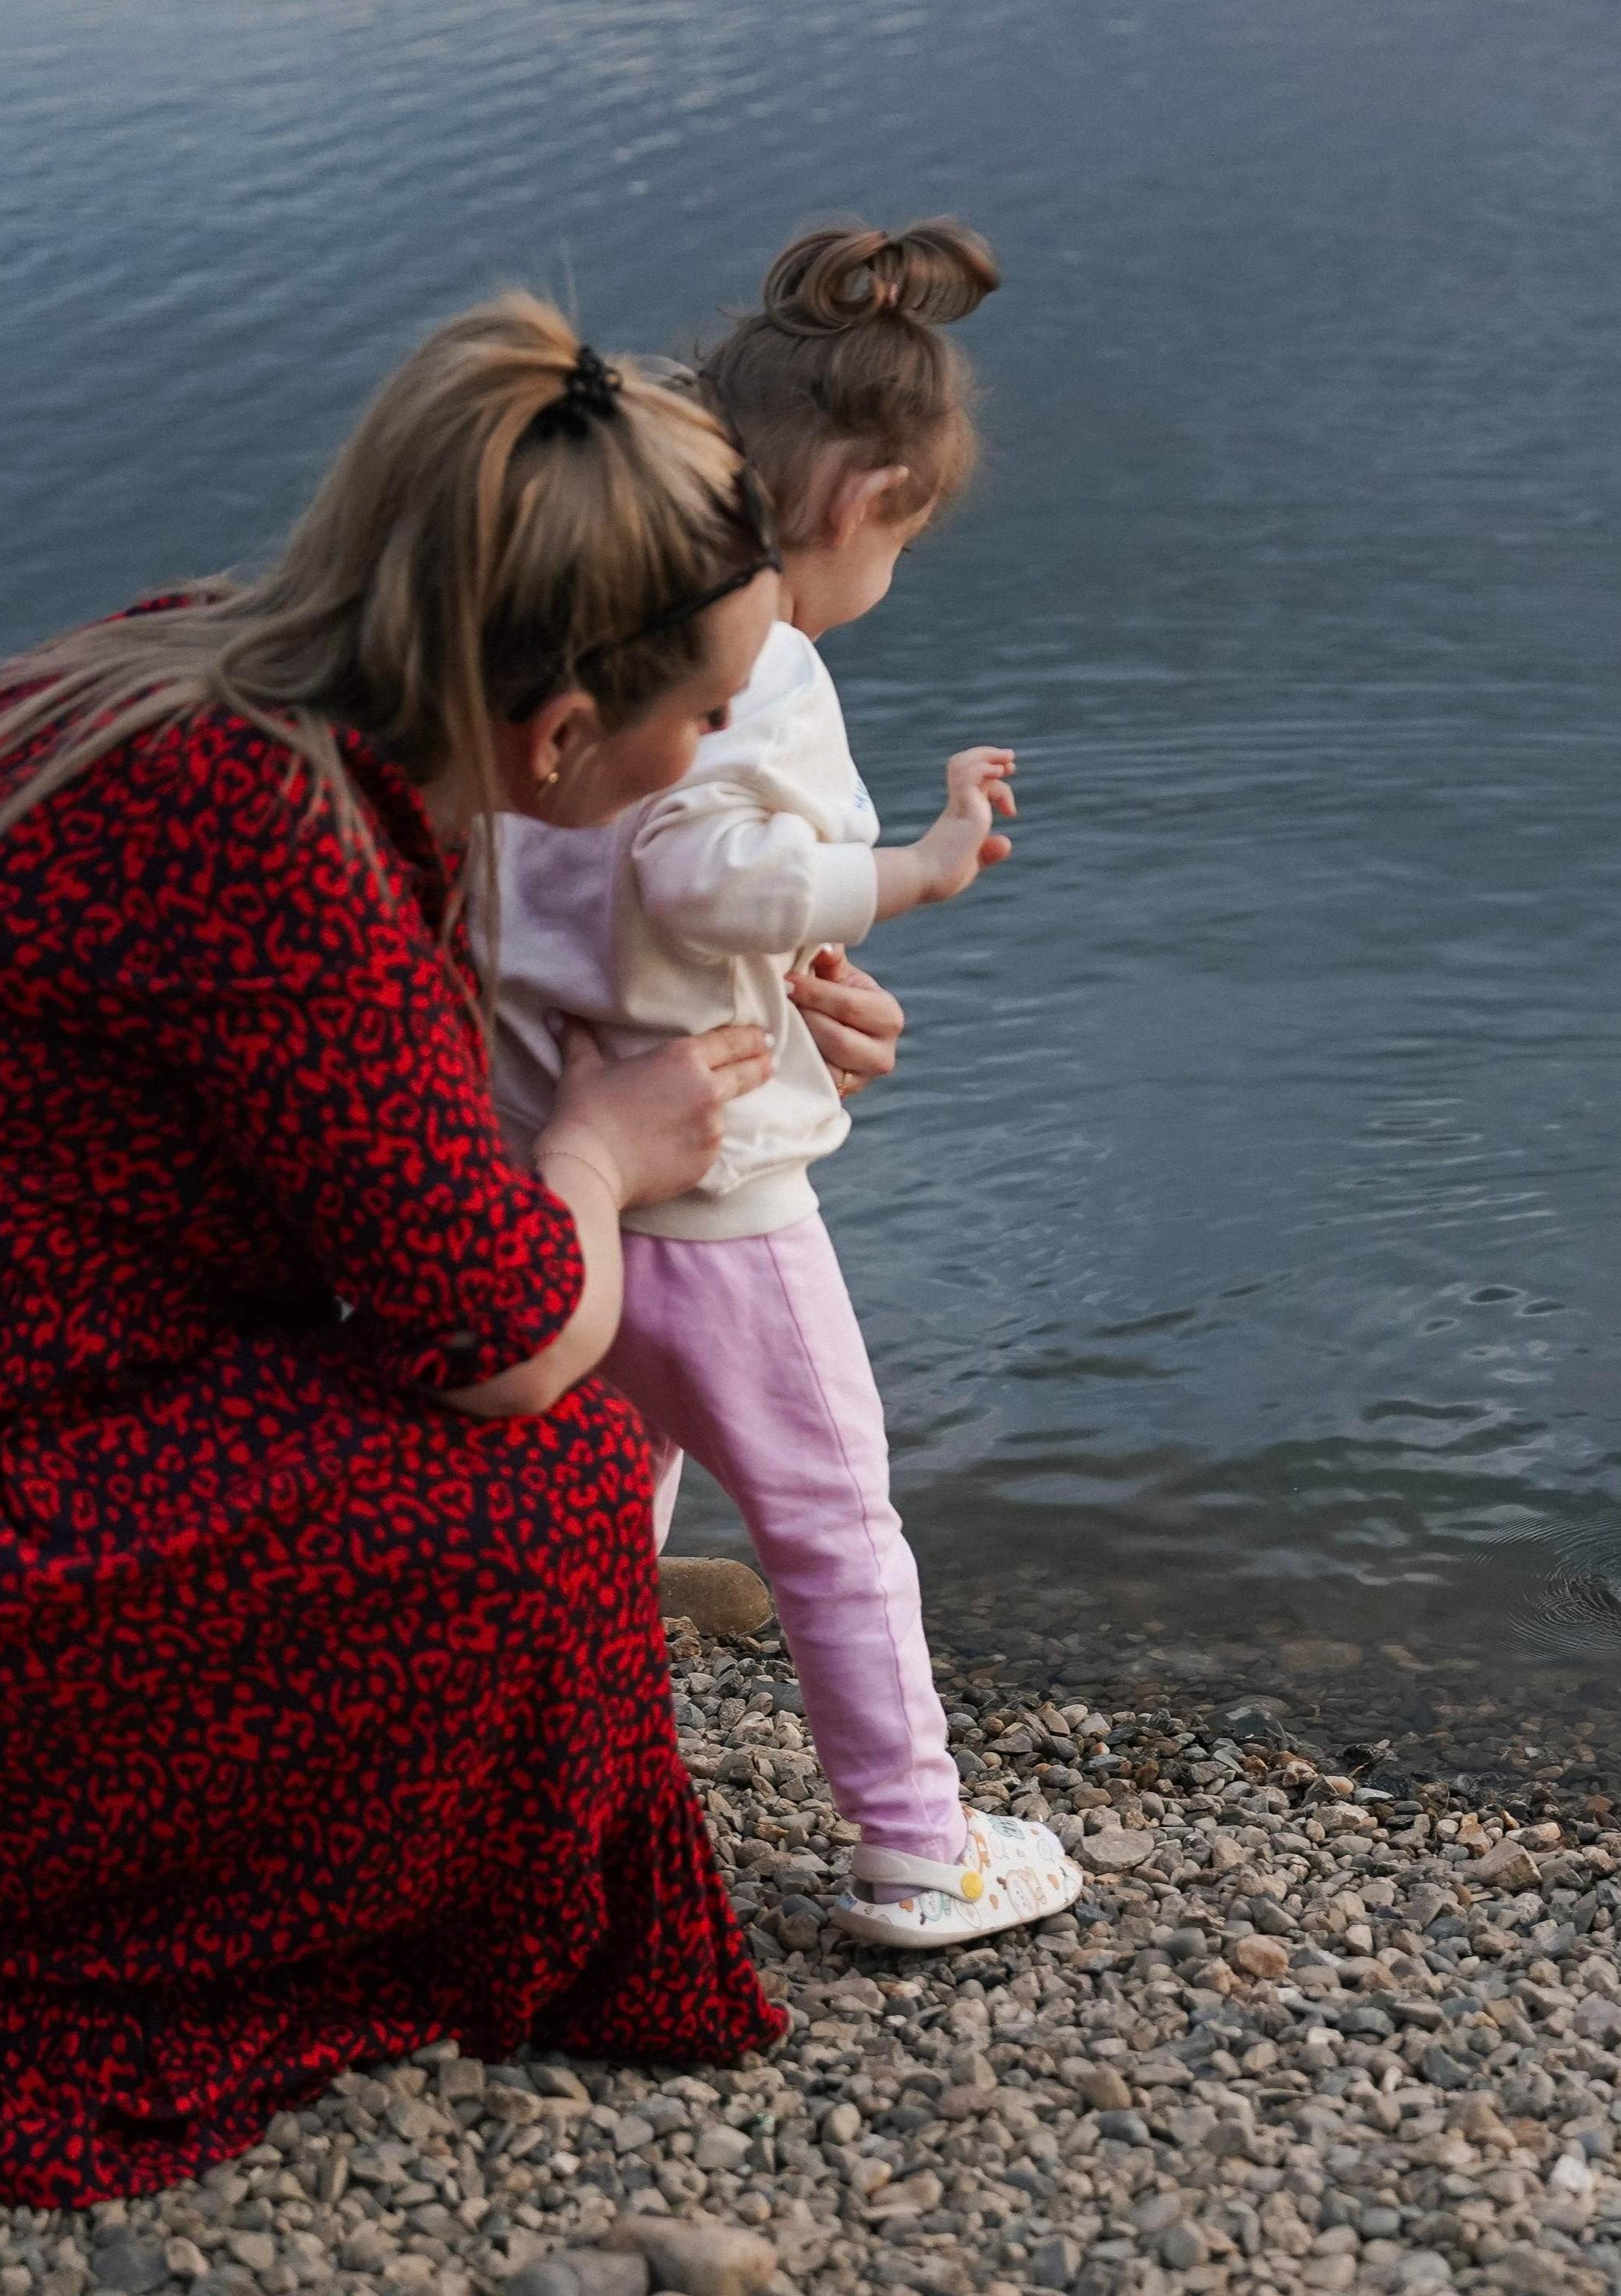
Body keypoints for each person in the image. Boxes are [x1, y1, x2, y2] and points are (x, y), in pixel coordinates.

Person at [0, 293, 833, 2205]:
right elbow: (512, 1336)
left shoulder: (189, 680)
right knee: (549, 1494)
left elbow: (381, 1092)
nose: (719, 749)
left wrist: (769, 998)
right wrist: (601, 1156)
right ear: (554, 736)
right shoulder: (278, 850)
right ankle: (133, 1890)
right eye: (707, 714)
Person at [489, 219, 1076, 1951]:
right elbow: (701, 874)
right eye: (908, 535)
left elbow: (610, 899)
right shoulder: (760, 666)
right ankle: (917, 1845)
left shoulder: (562, 630)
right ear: (866, 499)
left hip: (558, 1170)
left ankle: (551, 1795)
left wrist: (806, 978)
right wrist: (912, 872)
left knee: (603, 1509)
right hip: (718, 1197)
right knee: (832, 1515)